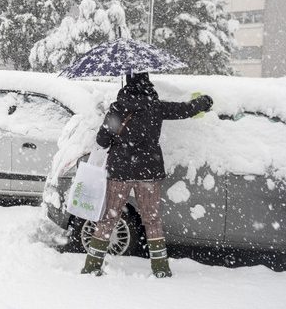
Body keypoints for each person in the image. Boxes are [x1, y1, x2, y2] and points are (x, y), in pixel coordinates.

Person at [81, 72, 213, 277]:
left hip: (120, 173)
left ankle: (92, 265)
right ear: (147, 83)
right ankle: (160, 268)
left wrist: (118, 136)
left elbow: (102, 141)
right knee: (152, 219)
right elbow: (184, 110)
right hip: (148, 173)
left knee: (109, 218)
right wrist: (203, 102)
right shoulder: (155, 106)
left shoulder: (119, 108)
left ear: (127, 84)